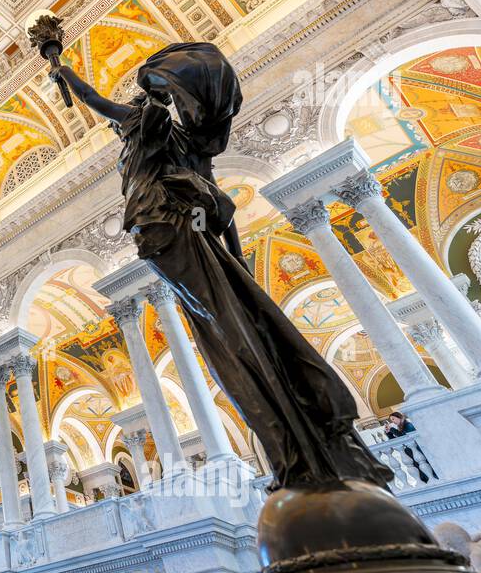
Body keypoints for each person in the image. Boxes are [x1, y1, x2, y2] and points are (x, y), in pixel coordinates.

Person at [52, 45, 392, 490]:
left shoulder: (146, 124)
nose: (122, 119)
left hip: (162, 226)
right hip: (177, 230)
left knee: (230, 330)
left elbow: (95, 100)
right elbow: (222, 208)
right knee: (235, 324)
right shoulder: (183, 149)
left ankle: (295, 450)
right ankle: (298, 445)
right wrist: (236, 258)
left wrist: (60, 66)